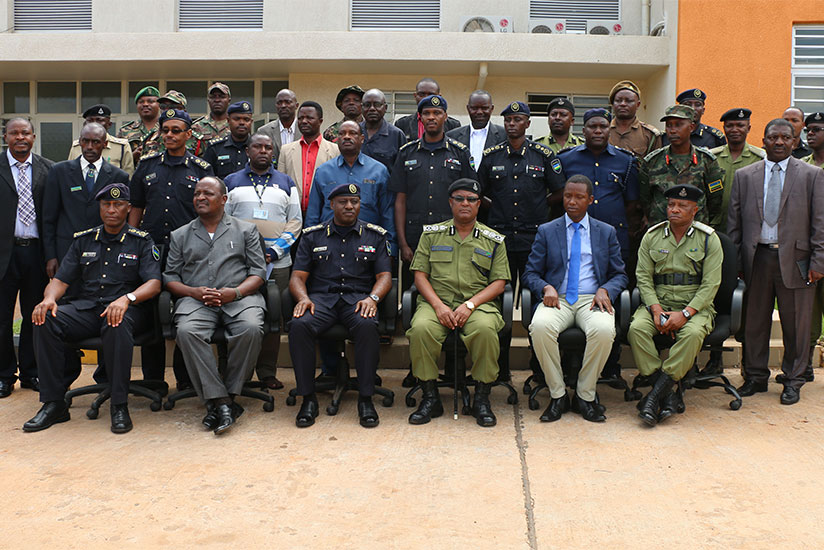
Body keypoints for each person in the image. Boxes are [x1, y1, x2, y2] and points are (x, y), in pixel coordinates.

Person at [23, 183, 161, 434]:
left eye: (118, 205)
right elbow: (60, 280)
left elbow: (154, 283)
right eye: (106, 204)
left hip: (127, 309)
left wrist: (127, 298)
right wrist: (49, 299)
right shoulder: (83, 240)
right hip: (87, 309)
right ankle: (54, 403)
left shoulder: (140, 241)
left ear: (128, 208)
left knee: (115, 320)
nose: (111, 209)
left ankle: (119, 404)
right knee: (45, 318)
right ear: (99, 207)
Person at [728, 119, 824, 405]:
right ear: (764, 140)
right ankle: (755, 377)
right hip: (756, 259)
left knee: (797, 325)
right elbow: (734, 224)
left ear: (795, 142)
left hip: (797, 260)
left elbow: (820, 222)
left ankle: (793, 380)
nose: (779, 142)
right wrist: (735, 264)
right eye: (773, 137)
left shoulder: (812, 175)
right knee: (754, 323)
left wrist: (819, 260)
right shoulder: (745, 176)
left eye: (786, 138)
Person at [164, 177, 266, 435]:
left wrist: (236, 292)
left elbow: (258, 273)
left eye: (207, 193)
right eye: (197, 193)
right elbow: (170, 277)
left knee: (251, 328)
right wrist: (193, 292)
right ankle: (223, 402)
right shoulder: (180, 235)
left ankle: (225, 397)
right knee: (187, 332)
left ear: (223, 200)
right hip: (197, 301)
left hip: (239, 298)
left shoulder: (246, 230)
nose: (200, 197)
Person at [406, 178, 510, 427]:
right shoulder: (431, 235)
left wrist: (471, 305)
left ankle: (482, 399)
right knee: (421, 329)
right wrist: (438, 306)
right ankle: (430, 396)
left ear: (479, 204)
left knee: (485, 330)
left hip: (478, 305)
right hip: (436, 303)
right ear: (450, 202)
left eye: (471, 199)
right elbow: (420, 275)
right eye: (460, 199)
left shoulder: (493, 239)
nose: (465, 203)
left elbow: (499, 282)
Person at [524, 175, 627, 422]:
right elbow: (530, 272)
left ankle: (585, 394)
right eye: (568, 196)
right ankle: (558, 394)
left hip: (592, 298)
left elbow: (620, 275)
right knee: (539, 327)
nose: (572, 201)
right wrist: (546, 287)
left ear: (590, 200)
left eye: (579, 197)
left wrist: (606, 290)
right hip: (557, 298)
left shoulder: (606, 232)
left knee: (604, 330)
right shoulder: (548, 231)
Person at [289, 183, 392, 428]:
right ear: (331, 204)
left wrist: (373, 299)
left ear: (359, 205)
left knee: (367, 326)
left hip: (358, 300)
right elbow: (297, 277)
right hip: (320, 301)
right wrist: (303, 298)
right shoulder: (312, 235)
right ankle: (308, 398)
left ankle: (366, 399)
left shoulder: (375, 236)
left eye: (354, 202)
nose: (349, 206)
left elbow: (385, 277)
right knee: (299, 325)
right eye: (343, 202)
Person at [477, 101, 565, 381]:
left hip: (533, 240)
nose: (512, 124)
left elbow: (560, 191)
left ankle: (538, 370)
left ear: (528, 124)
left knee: (537, 306)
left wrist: (539, 206)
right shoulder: (491, 156)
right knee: (499, 306)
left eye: (518, 119)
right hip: (499, 240)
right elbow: (478, 192)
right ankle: (499, 370)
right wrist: (497, 210)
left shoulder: (543, 154)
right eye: (508, 120)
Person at [129, 108, 214, 387]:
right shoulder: (147, 164)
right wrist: (132, 239)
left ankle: (185, 379)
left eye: (176, 131)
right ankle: (153, 380)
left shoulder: (200, 169)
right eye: (165, 130)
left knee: (186, 310)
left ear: (188, 135)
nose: (169, 135)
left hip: (189, 251)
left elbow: (209, 211)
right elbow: (137, 207)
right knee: (152, 311)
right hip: (150, 249)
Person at [43, 122, 131, 386]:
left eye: (96, 142)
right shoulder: (59, 171)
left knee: (106, 312)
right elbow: (48, 217)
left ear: (106, 144)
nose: (91, 147)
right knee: (65, 313)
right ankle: (67, 376)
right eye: (86, 142)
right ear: (79, 142)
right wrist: (50, 255)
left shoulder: (118, 175)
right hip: (66, 255)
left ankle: (105, 377)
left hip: (106, 255)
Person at [557, 107, 640, 383]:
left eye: (603, 127)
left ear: (610, 129)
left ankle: (611, 365)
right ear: (583, 130)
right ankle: (570, 366)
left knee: (609, 304)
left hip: (612, 242)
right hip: (572, 239)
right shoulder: (566, 159)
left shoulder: (625, 162)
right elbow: (559, 198)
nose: (598, 131)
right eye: (592, 127)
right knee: (573, 296)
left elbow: (632, 203)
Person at [628, 184, 722, 426]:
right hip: (658, 301)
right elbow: (644, 278)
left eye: (682, 206)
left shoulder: (709, 239)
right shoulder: (652, 235)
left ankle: (653, 397)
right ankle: (669, 393)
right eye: (671, 205)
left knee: (691, 334)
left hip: (694, 305)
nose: (675, 209)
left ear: (695, 210)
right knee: (637, 328)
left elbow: (711, 285)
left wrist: (685, 314)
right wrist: (656, 309)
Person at [225, 133, 302, 390]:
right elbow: (223, 222)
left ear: (273, 153)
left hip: (277, 263)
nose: (263, 151)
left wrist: (275, 251)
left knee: (273, 317)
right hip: (239, 263)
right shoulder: (231, 181)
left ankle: (267, 372)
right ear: (248, 150)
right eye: (257, 146)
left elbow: (295, 221)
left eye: (268, 147)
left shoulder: (286, 182)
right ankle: (238, 373)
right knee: (236, 313)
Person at [390, 94, 474, 283]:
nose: (431, 117)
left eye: (437, 112)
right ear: (420, 117)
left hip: (450, 235)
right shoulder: (406, 152)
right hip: (414, 236)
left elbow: (469, 199)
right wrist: (403, 243)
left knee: (449, 286)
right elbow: (400, 201)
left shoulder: (460, 152)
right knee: (411, 290)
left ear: (445, 116)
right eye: (426, 113)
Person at [0, 118, 54, 398]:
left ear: (34, 136)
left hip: (37, 254)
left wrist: (53, 256)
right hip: (3, 255)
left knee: (36, 316)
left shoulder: (49, 169)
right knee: (2, 318)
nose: (20, 137)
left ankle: (32, 373)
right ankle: (4, 375)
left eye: (25, 133)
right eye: (14, 133)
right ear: (5, 136)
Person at [640, 105, 726, 227]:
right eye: (669, 125)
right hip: (662, 230)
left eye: (678, 125)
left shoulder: (707, 160)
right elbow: (645, 200)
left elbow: (715, 200)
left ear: (691, 127)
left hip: (696, 230)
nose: (672, 130)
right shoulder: (652, 161)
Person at [277, 101, 340, 215]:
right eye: (300, 118)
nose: (304, 121)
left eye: (309, 118)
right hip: (293, 214)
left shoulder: (335, 150)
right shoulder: (286, 150)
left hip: (323, 214)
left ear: (320, 121)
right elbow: (281, 185)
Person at [801, 112, 824, 383]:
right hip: (810, 248)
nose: (810, 134)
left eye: (817, 129)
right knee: (809, 310)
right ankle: (804, 362)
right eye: (808, 130)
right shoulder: (802, 165)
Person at [67, 104, 135, 176]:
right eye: (90, 120)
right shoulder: (77, 146)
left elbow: (128, 177)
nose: (95, 123)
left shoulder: (121, 146)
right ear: (84, 124)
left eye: (99, 120)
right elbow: (70, 174)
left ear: (109, 124)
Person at [446, 90, 506, 170]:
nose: (479, 112)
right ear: (468, 108)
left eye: (484, 108)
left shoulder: (505, 136)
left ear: (492, 109)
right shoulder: (452, 136)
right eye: (474, 108)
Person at [608, 80, 662, 158]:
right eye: (618, 101)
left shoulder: (650, 134)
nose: (623, 104)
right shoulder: (602, 131)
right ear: (612, 104)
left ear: (638, 104)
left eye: (629, 101)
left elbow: (656, 166)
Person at [394, 78, 460, 141]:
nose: (426, 98)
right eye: (422, 94)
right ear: (415, 96)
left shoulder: (453, 125)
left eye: (431, 94)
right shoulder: (402, 124)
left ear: (439, 97)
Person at [359, 88, 407, 173]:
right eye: (367, 105)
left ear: (385, 108)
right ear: (361, 108)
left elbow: (403, 170)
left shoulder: (396, 135)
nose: (372, 108)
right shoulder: (353, 132)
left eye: (377, 104)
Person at [202, 101, 254, 179]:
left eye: (246, 119)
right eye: (237, 119)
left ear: (251, 122)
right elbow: (206, 177)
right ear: (228, 121)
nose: (242, 123)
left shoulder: (258, 147)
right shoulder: (215, 147)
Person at [662, 88, 726, 149]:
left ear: (703, 110)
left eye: (698, 105)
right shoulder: (666, 136)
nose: (693, 108)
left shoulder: (714, 137)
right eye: (688, 104)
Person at [118, 86, 161, 166]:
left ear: (159, 105)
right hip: (134, 176)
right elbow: (117, 160)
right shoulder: (125, 131)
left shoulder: (167, 128)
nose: (145, 104)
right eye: (141, 102)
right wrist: (132, 156)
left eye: (150, 101)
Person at [257, 89, 299, 165]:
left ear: (296, 105)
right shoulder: (264, 132)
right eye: (279, 103)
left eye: (287, 102)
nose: (283, 106)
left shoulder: (304, 130)